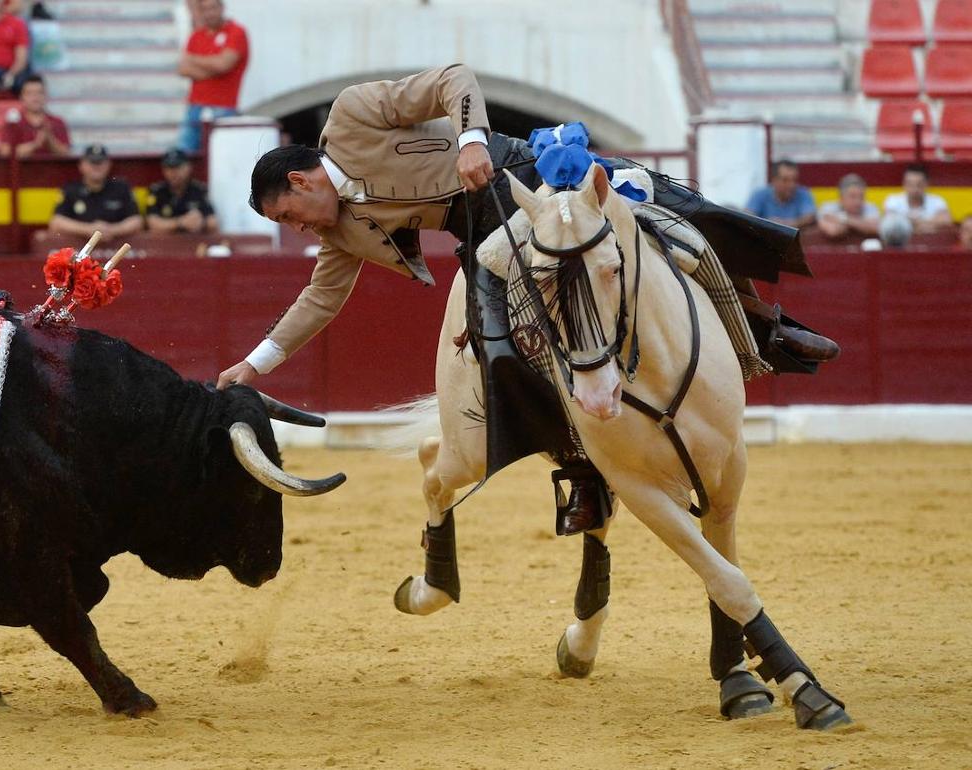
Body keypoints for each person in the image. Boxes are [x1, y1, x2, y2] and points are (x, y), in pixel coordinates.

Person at [216, 65, 840, 538]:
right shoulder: (339, 234)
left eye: (289, 214)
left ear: (299, 180)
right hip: (487, 240)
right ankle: (584, 469)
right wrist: (255, 364)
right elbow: (319, 300)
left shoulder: (353, 115)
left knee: (674, 214)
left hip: (527, 179)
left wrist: (470, 141)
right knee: (502, 356)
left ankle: (767, 327)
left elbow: (453, 79)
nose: (298, 227)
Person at [175, 0, 248, 153]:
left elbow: (223, 64)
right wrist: (215, 68)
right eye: (205, 10)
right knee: (183, 154)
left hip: (223, 106)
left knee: (220, 153)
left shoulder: (236, 32)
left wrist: (193, 59)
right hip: (195, 106)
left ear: (222, 7)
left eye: (212, 8)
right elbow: (183, 69)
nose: (209, 13)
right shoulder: (197, 35)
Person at [45, 144, 143, 242]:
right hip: (79, 248)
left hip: (116, 247)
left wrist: (111, 230)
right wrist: (88, 229)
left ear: (109, 164)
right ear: (81, 165)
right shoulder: (70, 190)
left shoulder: (121, 188)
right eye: (92, 162)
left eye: (100, 162)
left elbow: (136, 222)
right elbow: (56, 223)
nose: (96, 166)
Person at [146, 147, 218, 234]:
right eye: (169, 168)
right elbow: (152, 223)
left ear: (188, 167)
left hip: (192, 239)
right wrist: (181, 223)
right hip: (164, 240)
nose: (173, 173)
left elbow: (213, 222)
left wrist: (201, 223)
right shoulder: (157, 191)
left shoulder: (198, 189)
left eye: (177, 167)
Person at [0, 76, 70, 157]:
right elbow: (5, 153)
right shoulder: (13, 123)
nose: (35, 97)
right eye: (29, 93)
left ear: (46, 95)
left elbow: (66, 154)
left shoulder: (57, 122)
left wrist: (50, 141)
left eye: (40, 93)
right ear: (21, 97)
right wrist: (35, 145)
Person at [883, 164, 953, 235]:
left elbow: (946, 221)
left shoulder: (937, 201)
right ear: (904, 184)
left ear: (926, 184)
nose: (914, 189)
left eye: (919, 185)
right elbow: (890, 223)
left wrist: (909, 224)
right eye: (910, 184)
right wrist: (929, 225)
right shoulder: (893, 200)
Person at [745, 159, 816, 228]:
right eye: (785, 180)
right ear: (774, 180)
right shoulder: (759, 194)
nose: (791, 185)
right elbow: (748, 217)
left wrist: (783, 225)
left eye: (794, 180)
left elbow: (810, 217)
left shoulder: (803, 193)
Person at [816, 173, 879, 242]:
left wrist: (843, 218)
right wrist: (861, 224)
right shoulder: (827, 208)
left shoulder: (870, 208)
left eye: (861, 197)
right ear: (841, 198)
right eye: (853, 197)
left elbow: (875, 228)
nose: (858, 202)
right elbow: (834, 231)